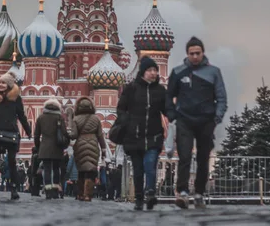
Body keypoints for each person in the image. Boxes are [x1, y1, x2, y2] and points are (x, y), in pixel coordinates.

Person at [166, 36, 228, 209]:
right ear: (187, 53)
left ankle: (199, 193)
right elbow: (169, 96)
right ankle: (183, 192)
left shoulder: (213, 72)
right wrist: (172, 115)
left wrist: (217, 117)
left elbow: (221, 97)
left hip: (206, 121)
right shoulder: (178, 72)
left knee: (203, 158)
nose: (194, 56)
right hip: (184, 120)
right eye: (191, 53)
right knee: (184, 156)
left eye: (197, 53)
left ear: (203, 53)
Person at [117, 57, 166, 211]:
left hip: (154, 135)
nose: (153, 73)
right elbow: (121, 108)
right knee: (138, 170)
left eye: (155, 70)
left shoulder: (160, 91)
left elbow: (167, 109)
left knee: (150, 165)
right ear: (143, 72)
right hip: (134, 136)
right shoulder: (131, 89)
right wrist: (126, 121)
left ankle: (150, 192)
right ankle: (139, 198)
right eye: (150, 70)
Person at [0, 72, 31, 200]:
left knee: (12, 161)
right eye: (0, 82)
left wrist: (28, 130)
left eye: (4, 82)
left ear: (9, 84)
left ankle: (14, 189)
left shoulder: (16, 99)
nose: (1, 85)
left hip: (11, 133)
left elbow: (21, 116)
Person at [69, 96, 106, 202]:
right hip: (93, 145)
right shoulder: (96, 119)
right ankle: (87, 195)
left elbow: (74, 135)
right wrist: (103, 150)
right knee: (90, 171)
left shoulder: (76, 119)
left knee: (81, 171)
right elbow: (100, 136)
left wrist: (67, 134)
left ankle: (80, 194)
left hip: (80, 146)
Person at [34, 98, 68, 199]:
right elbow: (64, 133)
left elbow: (36, 135)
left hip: (44, 148)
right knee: (56, 169)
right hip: (57, 148)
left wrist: (39, 147)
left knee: (47, 169)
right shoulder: (59, 118)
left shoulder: (41, 117)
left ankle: (48, 191)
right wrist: (65, 145)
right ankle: (55, 191)